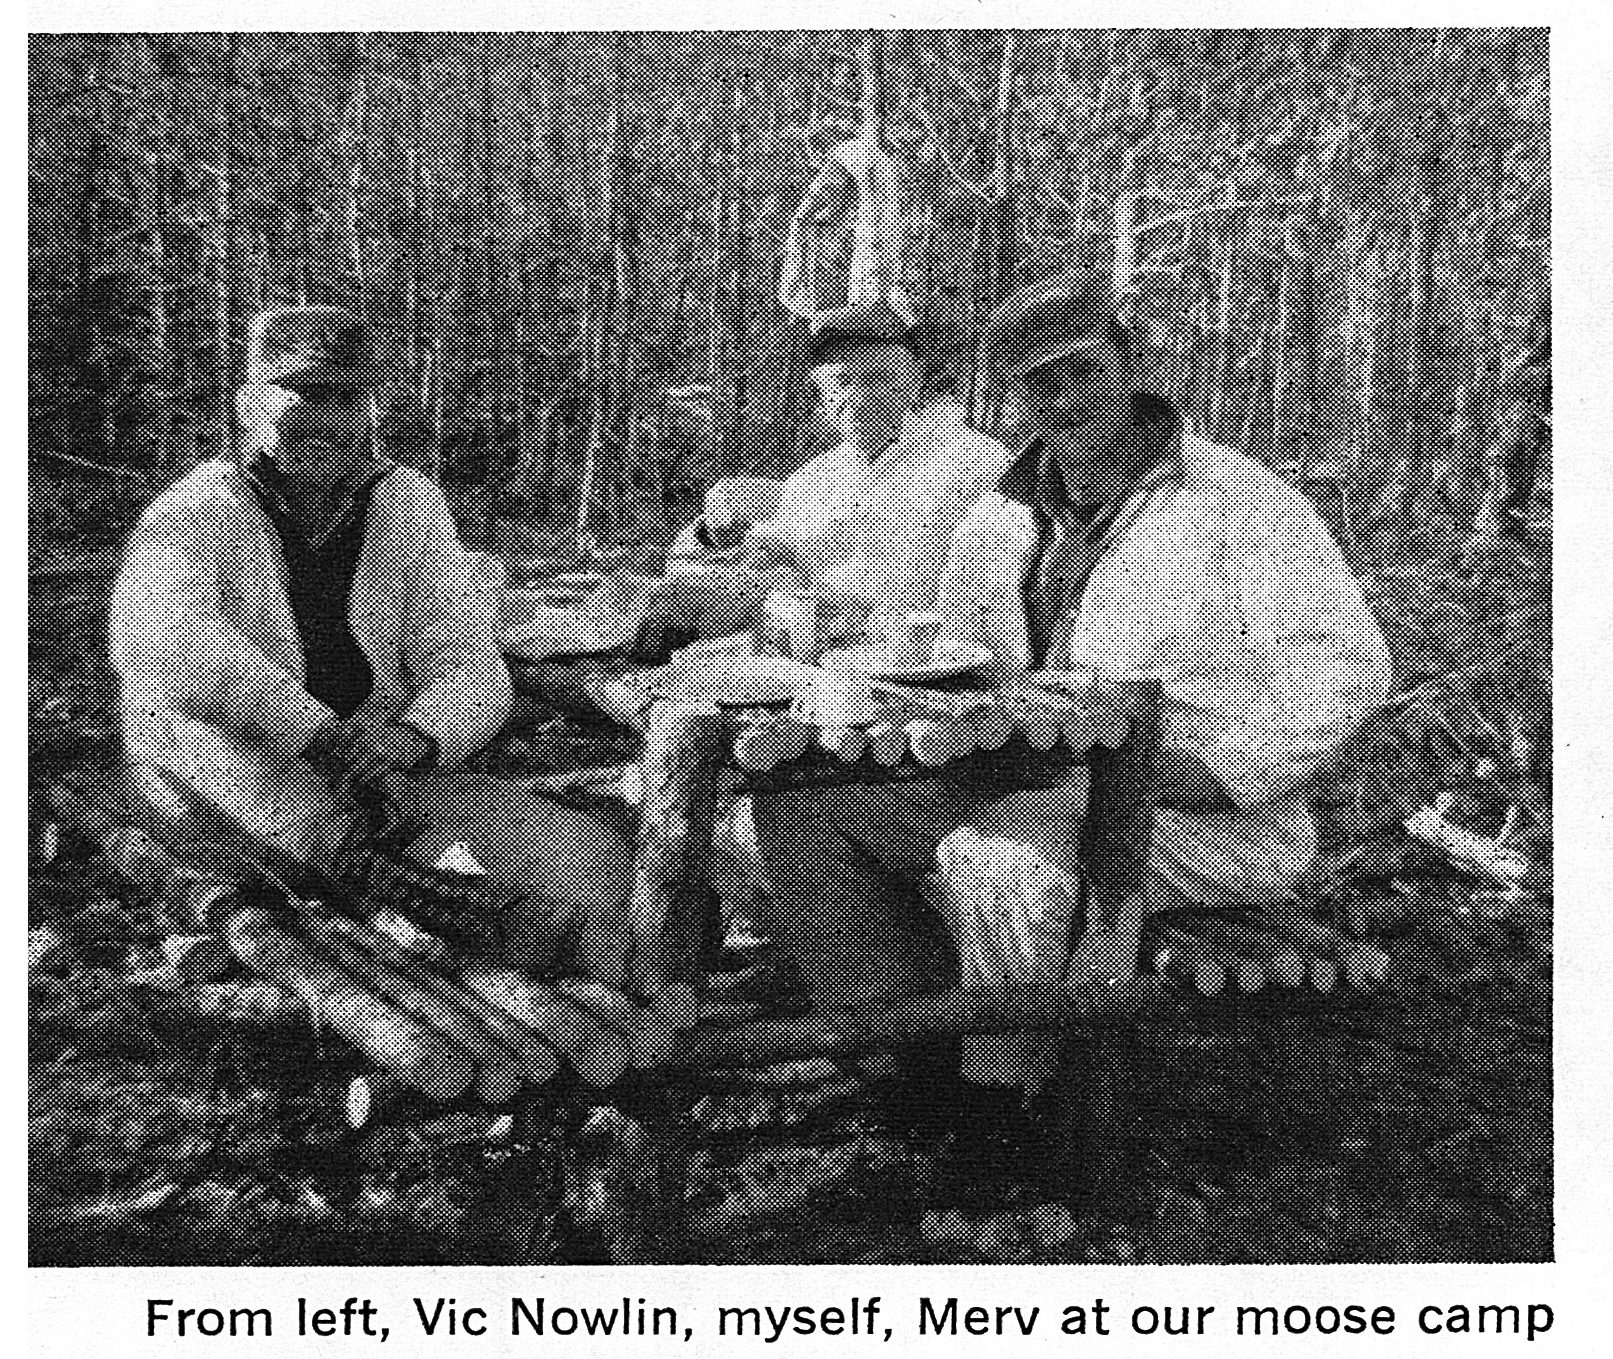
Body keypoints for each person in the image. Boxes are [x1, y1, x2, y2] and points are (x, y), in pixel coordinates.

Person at [749, 267, 1394, 1180]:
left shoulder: (1237, 504)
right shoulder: (1000, 515)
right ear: (1016, 396)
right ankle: (911, 1053)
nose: (1067, 399)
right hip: (1032, 784)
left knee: (999, 855)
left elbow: (1344, 666)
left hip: (1207, 820)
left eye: (1084, 371)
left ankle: (998, 1109)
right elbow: (962, 656)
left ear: (1128, 367)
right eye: (1041, 383)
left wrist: (1222, 774)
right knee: (804, 812)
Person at [109, 306, 635, 982]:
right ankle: (458, 934)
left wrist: (414, 737)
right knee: (414, 873)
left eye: (345, 397)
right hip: (226, 777)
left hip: (374, 773)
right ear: (249, 404)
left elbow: (469, 662)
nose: (323, 418)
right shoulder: (194, 510)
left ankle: (544, 943)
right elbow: (171, 646)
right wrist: (320, 735)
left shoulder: (406, 502)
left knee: (592, 865)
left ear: (370, 410)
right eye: (300, 393)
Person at [659, 302, 1012, 634]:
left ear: (912, 385)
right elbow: (761, 578)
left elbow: (989, 602)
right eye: (842, 381)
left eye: (877, 379)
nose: (857, 396)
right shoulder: (812, 480)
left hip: (923, 673)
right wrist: (712, 530)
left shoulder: (973, 462)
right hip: (809, 666)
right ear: (821, 390)